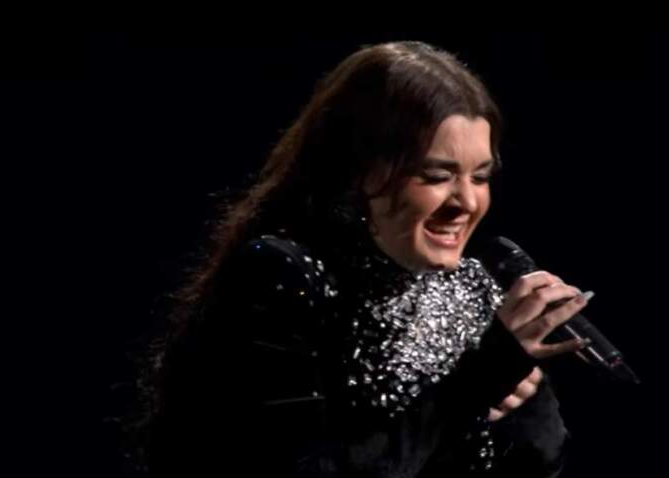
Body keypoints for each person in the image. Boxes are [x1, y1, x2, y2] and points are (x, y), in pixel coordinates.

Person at [139, 40, 591, 477]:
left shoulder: (471, 288)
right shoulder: (283, 277)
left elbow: (538, 461)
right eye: (437, 176)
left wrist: (526, 402)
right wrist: (478, 382)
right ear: (358, 170)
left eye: (480, 177)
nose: (467, 203)